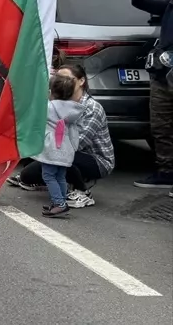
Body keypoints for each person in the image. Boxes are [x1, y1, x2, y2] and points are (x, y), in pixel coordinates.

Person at [8, 64, 115, 206]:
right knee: (27, 176)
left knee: (58, 156)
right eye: (58, 78)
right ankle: (53, 182)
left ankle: (82, 191)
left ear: (81, 81)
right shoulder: (59, 102)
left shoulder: (91, 108)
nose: (61, 81)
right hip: (64, 149)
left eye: (66, 78)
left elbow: (77, 143)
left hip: (95, 159)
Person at [132, 0, 173, 189]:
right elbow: (140, 2)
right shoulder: (169, 5)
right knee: (161, 126)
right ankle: (166, 172)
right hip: (163, 76)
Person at [37, 72, 85, 219]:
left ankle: (59, 204)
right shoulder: (75, 110)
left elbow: (36, 111)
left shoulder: (49, 108)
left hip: (52, 149)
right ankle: (60, 201)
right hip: (67, 148)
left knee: (48, 175)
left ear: (52, 92)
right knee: (60, 177)